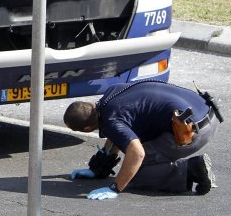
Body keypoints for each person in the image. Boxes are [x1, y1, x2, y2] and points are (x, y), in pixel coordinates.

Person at [63, 80, 221, 199]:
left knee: (133, 171)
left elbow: (137, 152)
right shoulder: (112, 94)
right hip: (207, 113)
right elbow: (117, 135)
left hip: (192, 132)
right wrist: (98, 169)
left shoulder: (111, 120)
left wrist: (115, 187)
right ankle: (188, 168)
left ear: (88, 129)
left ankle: (193, 169)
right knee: (132, 162)